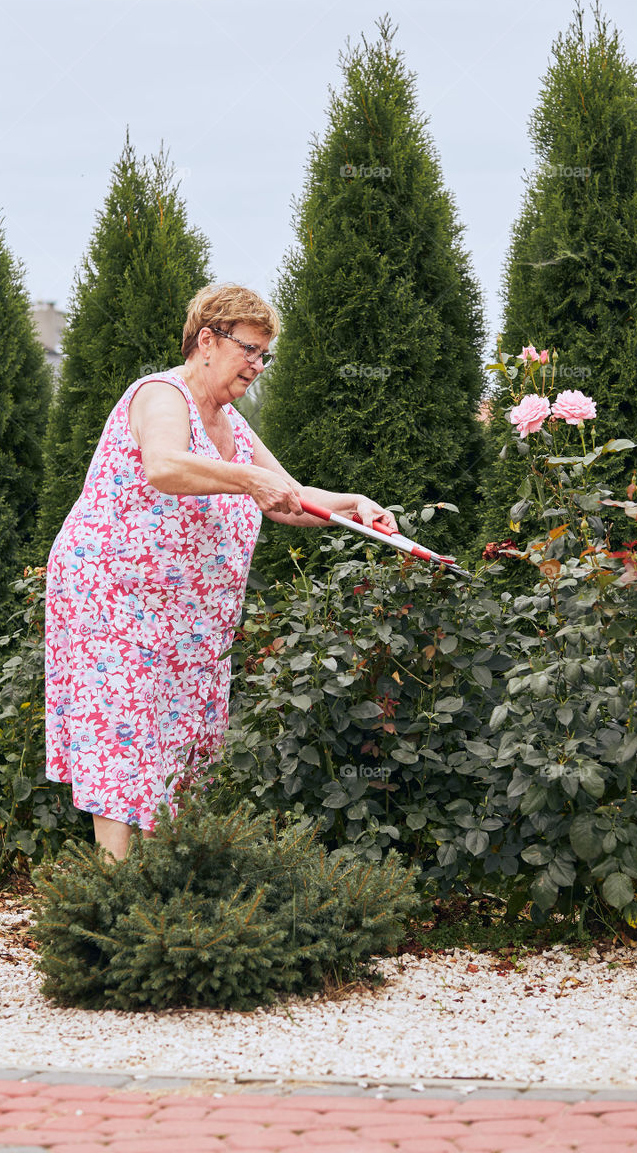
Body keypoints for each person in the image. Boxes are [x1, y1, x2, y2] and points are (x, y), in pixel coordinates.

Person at [44, 282, 397, 860]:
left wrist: (352, 503)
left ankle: (168, 893)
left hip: (189, 618)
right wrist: (247, 480)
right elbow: (162, 465)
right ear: (206, 340)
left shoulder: (230, 419)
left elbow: (289, 496)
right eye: (248, 349)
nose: (257, 365)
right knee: (123, 737)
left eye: (264, 354)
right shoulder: (162, 395)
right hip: (114, 601)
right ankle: (115, 900)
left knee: (183, 739)